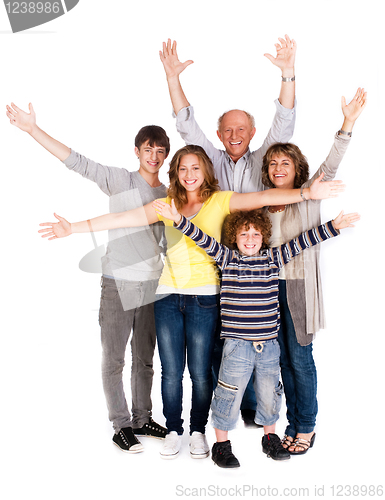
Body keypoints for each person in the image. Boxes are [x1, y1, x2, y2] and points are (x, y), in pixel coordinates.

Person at [37, 144, 344, 460]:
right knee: (171, 371)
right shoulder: (165, 205)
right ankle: (173, 430)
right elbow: (122, 218)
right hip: (168, 295)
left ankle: (198, 432)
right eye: (183, 168)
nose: (189, 174)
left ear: (206, 171)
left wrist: (307, 195)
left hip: (206, 298)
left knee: (200, 372)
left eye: (196, 167)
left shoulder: (221, 200)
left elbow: (264, 198)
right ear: (175, 173)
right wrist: (72, 228)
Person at [6, 102, 170, 453]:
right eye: (148, 150)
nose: (153, 156)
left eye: (160, 151)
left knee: (144, 357)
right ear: (137, 151)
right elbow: (76, 161)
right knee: (114, 358)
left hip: (152, 285)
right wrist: (33, 130)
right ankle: (121, 425)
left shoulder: (168, 194)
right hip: (116, 282)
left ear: (166, 155)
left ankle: (143, 418)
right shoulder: (119, 179)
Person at [152, 203, 359, 467]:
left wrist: (333, 226)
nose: (250, 239)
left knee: (269, 394)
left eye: (255, 234)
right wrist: (178, 219)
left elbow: (303, 241)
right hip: (237, 346)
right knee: (228, 394)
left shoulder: (273, 258)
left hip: (268, 347)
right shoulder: (228, 258)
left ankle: (270, 439)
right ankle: (221, 445)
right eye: (243, 234)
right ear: (234, 239)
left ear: (263, 237)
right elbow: (200, 237)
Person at [160, 35, 297, 425]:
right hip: (214, 263)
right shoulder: (211, 161)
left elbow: (284, 124)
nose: (234, 134)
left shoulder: (262, 160)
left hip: (259, 265)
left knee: (259, 337)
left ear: (252, 132)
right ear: (219, 135)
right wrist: (172, 78)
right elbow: (187, 127)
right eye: (227, 130)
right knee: (221, 339)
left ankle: (254, 408)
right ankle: (225, 410)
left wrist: (287, 73)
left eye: (242, 128)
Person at [260, 87, 367, 454]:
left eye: (284, 163)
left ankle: (305, 426)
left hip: (298, 286)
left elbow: (332, 164)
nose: (278, 169)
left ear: (297, 169)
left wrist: (347, 122)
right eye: (272, 164)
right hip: (265, 289)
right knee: (280, 360)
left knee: (300, 357)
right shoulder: (263, 202)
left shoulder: (310, 192)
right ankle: (292, 422)